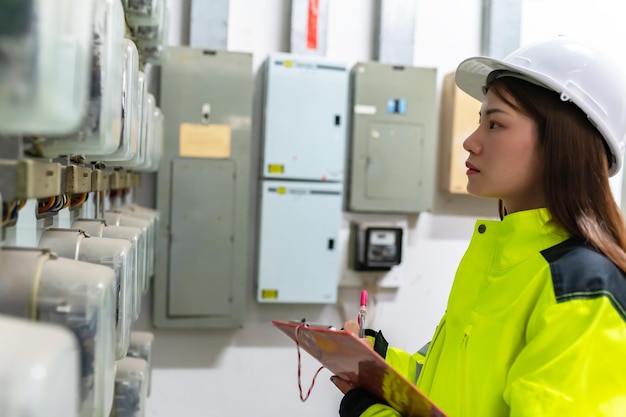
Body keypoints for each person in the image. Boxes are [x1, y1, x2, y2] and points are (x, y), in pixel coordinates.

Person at [331, 37, 626, 417]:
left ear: (560, 142)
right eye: (479, 122)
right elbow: (446, 383)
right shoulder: (504, 259)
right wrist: (378, 362)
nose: (471, 142)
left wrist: (368, 412)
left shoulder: (582, 287)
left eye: (495, 124)